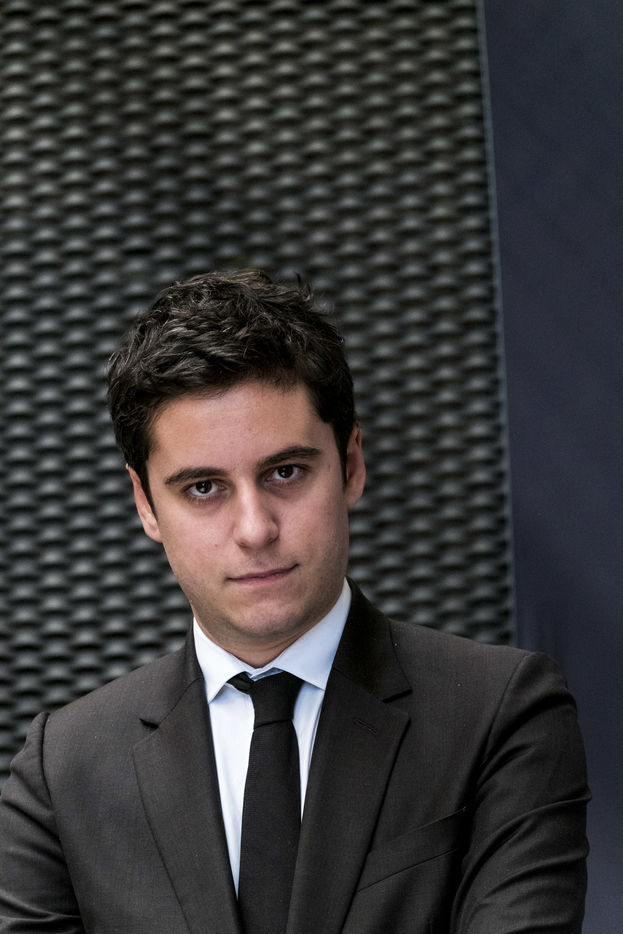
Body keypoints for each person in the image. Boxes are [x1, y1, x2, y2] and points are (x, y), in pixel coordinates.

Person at [0, 270, 589, 933]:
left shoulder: (500, 714)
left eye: (285, 472)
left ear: (351, 465)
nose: (255, 529)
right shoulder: (63, 769)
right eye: (202, 488)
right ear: (145, 504)